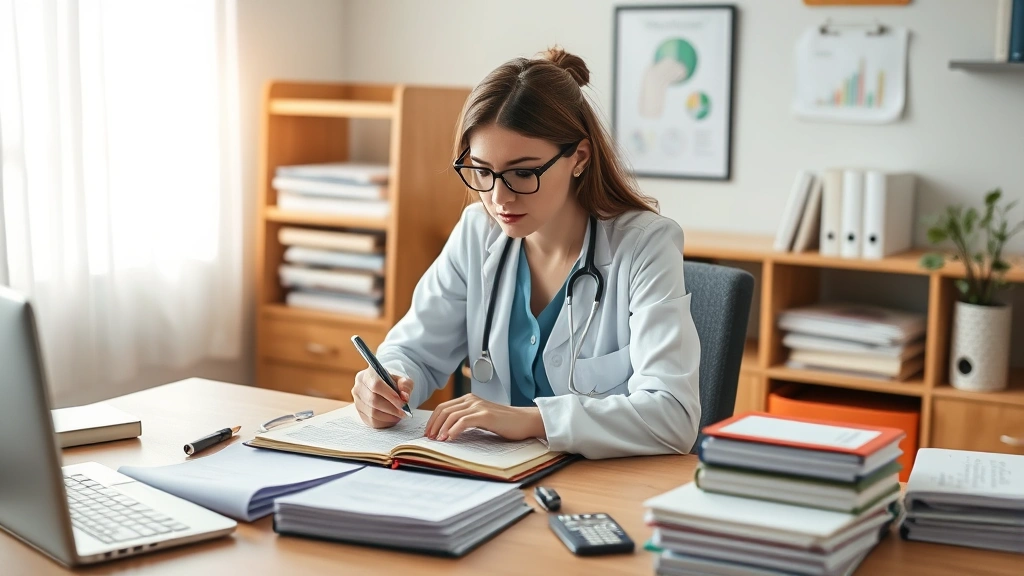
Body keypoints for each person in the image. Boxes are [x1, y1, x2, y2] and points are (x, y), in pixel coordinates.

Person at [351, 47, 701, 459]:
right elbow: (414, 352)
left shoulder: (644, 246)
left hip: (601, 483)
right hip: (493, 479)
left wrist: (534, 420)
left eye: (523, 173)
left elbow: (673, 416)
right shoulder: (475, 234)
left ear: (579, 158)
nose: (499, 198)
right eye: (482, 171)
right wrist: (387, 382)